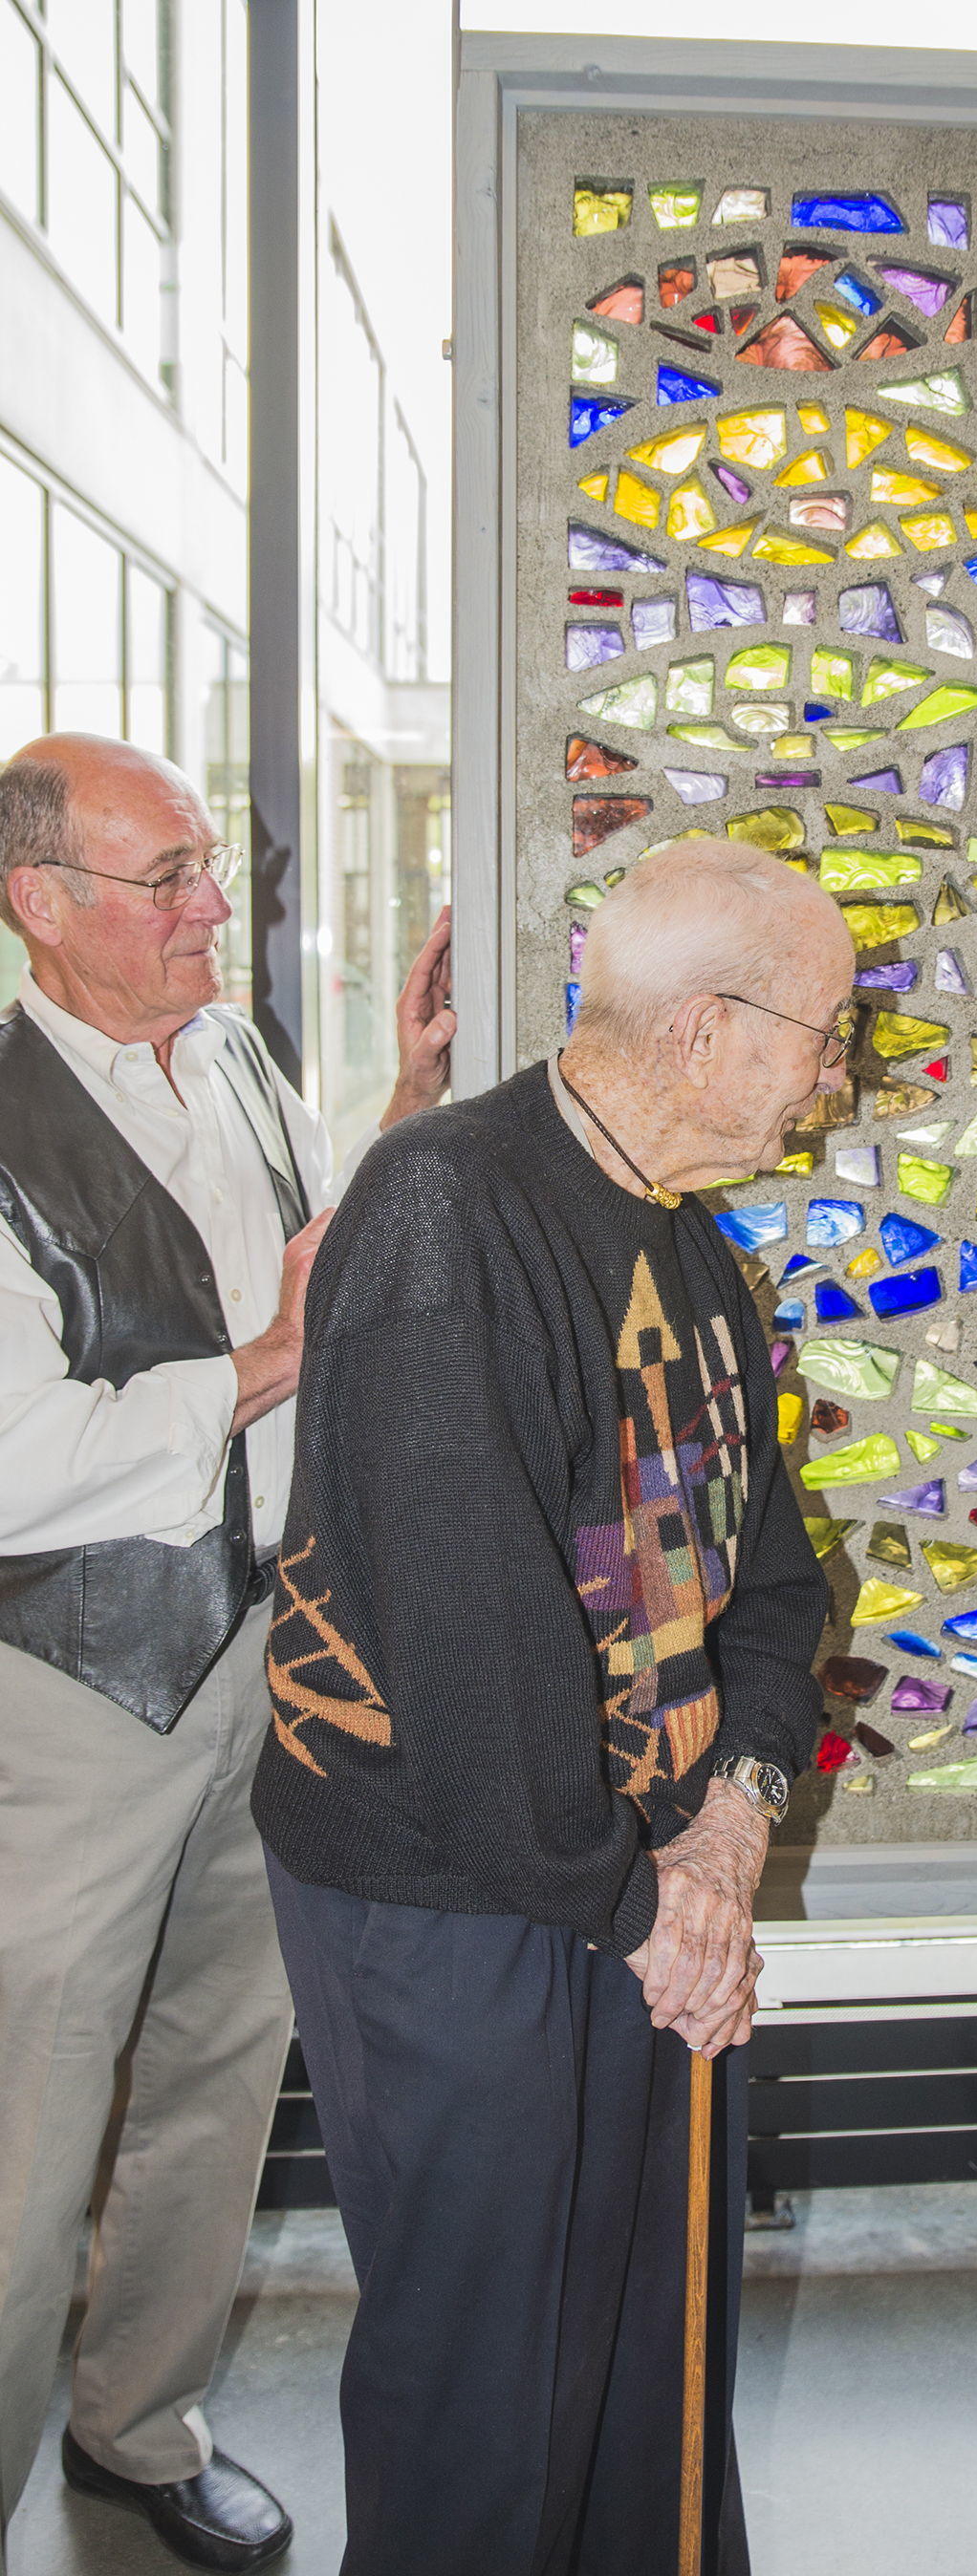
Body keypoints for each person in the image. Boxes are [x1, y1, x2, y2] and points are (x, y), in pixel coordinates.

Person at [250, 836, 846, 2576]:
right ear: (708, 1033)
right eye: (821, 1031)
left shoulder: (695, 1246)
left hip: (644, 1878)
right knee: (488, 2389)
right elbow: (467, 1646)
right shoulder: (443, 1211)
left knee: (648, 2348)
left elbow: (780, 1582)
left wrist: (729, 1828)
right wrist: (649, 1899)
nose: (834, 1073)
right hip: (451, 1894)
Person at [0, 735, 453, 2574]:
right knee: (27, 2135)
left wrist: (413, 1092)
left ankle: (138, 2424)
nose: (216, 906)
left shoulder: (242, 1051)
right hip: (76, 1705)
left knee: (217, 2071)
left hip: (272, 1655)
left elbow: (308, 1258)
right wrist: (266, 1359)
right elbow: (19, 1459)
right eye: (171, 874)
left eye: (206, 867)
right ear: (44, 903)